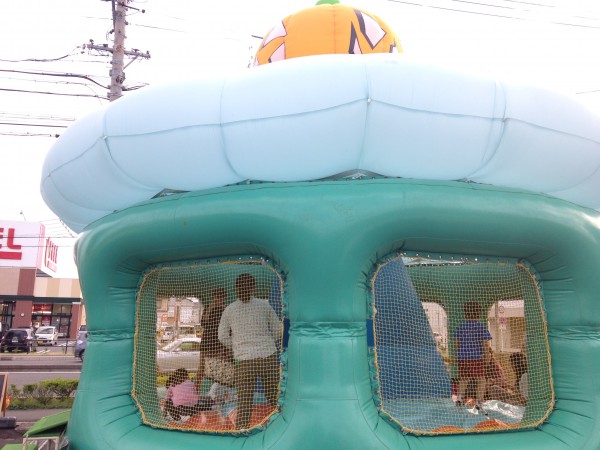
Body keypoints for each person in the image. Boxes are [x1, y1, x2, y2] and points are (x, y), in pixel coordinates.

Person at [218, 273, 280, 430]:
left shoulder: (230, 309)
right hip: (268, 356)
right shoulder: (264, 305)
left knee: (244, 403)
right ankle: (281, 430)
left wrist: (236, 346)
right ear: (253, 288)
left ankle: (242, 433)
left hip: (244, 360)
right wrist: (267, 342)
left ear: (235, 289)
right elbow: (278, 331)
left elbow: (222, 336)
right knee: (274, 397)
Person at [453, 301, 492, 411]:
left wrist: (459, 355)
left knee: (464, 379)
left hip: (463, 358)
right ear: (479, 314)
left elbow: (456, 343)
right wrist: (486, 357)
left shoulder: (461, 326)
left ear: (465, 314)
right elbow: (485, 344)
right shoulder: (481, 327)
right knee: (481, 379)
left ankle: (459, 399)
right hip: (476, 358)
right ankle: (479, 402)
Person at [196, 288, 234, 389]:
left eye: (221, 297)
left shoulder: (227, 310)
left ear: (224, 298)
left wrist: (227, 345)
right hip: (207, 340)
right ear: (214, 297)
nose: (218, 299)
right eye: (217, 297)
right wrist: (210, 308)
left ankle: (219, 391)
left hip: (219, 342)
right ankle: (195, 391)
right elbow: (203, 323)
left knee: (220, 366)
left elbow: (229, 328)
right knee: (202, 366)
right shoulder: (209, 307)